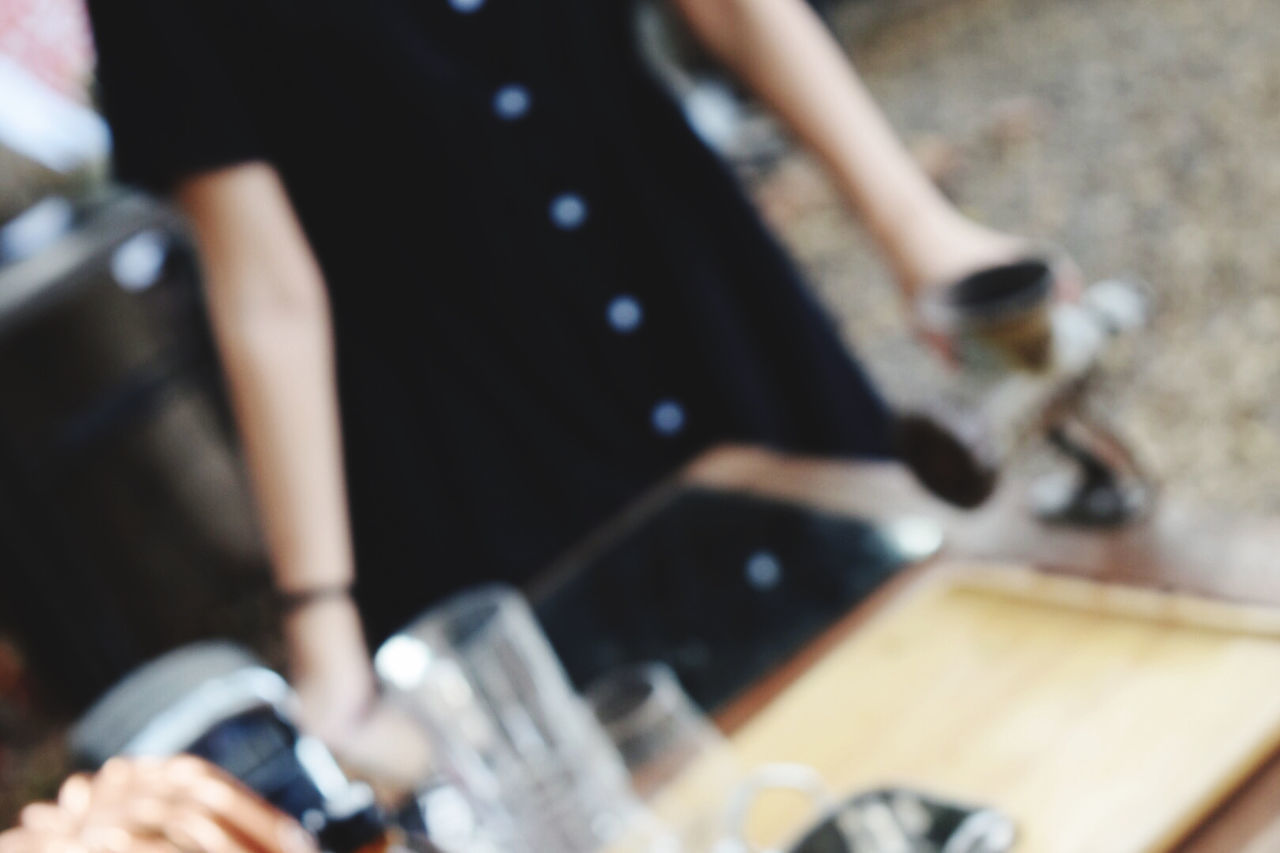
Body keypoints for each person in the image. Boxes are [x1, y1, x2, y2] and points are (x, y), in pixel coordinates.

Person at [85, 0, 1068, 764]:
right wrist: (323, 620)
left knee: (931, 684)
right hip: (466, 444)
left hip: (707, 317)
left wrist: (912, 230)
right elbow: (263, 286)